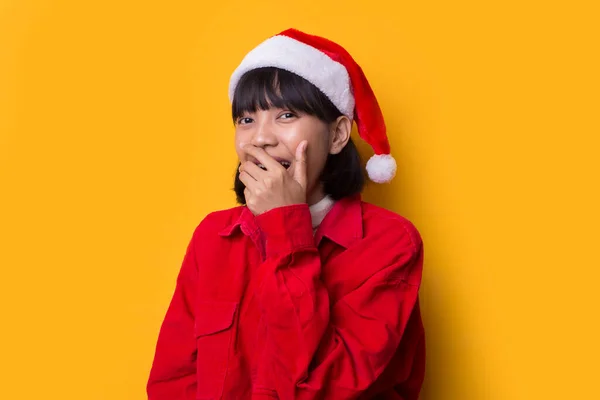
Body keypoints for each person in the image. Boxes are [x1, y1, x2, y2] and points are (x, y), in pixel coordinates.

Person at [147, 28, 425, 400]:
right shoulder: (213, 237)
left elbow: (319, 388)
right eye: (246, 119)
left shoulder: (390, 244)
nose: (259, 138)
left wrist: (285, 226)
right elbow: (173, 380)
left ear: (339, 134)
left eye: (286, 114)